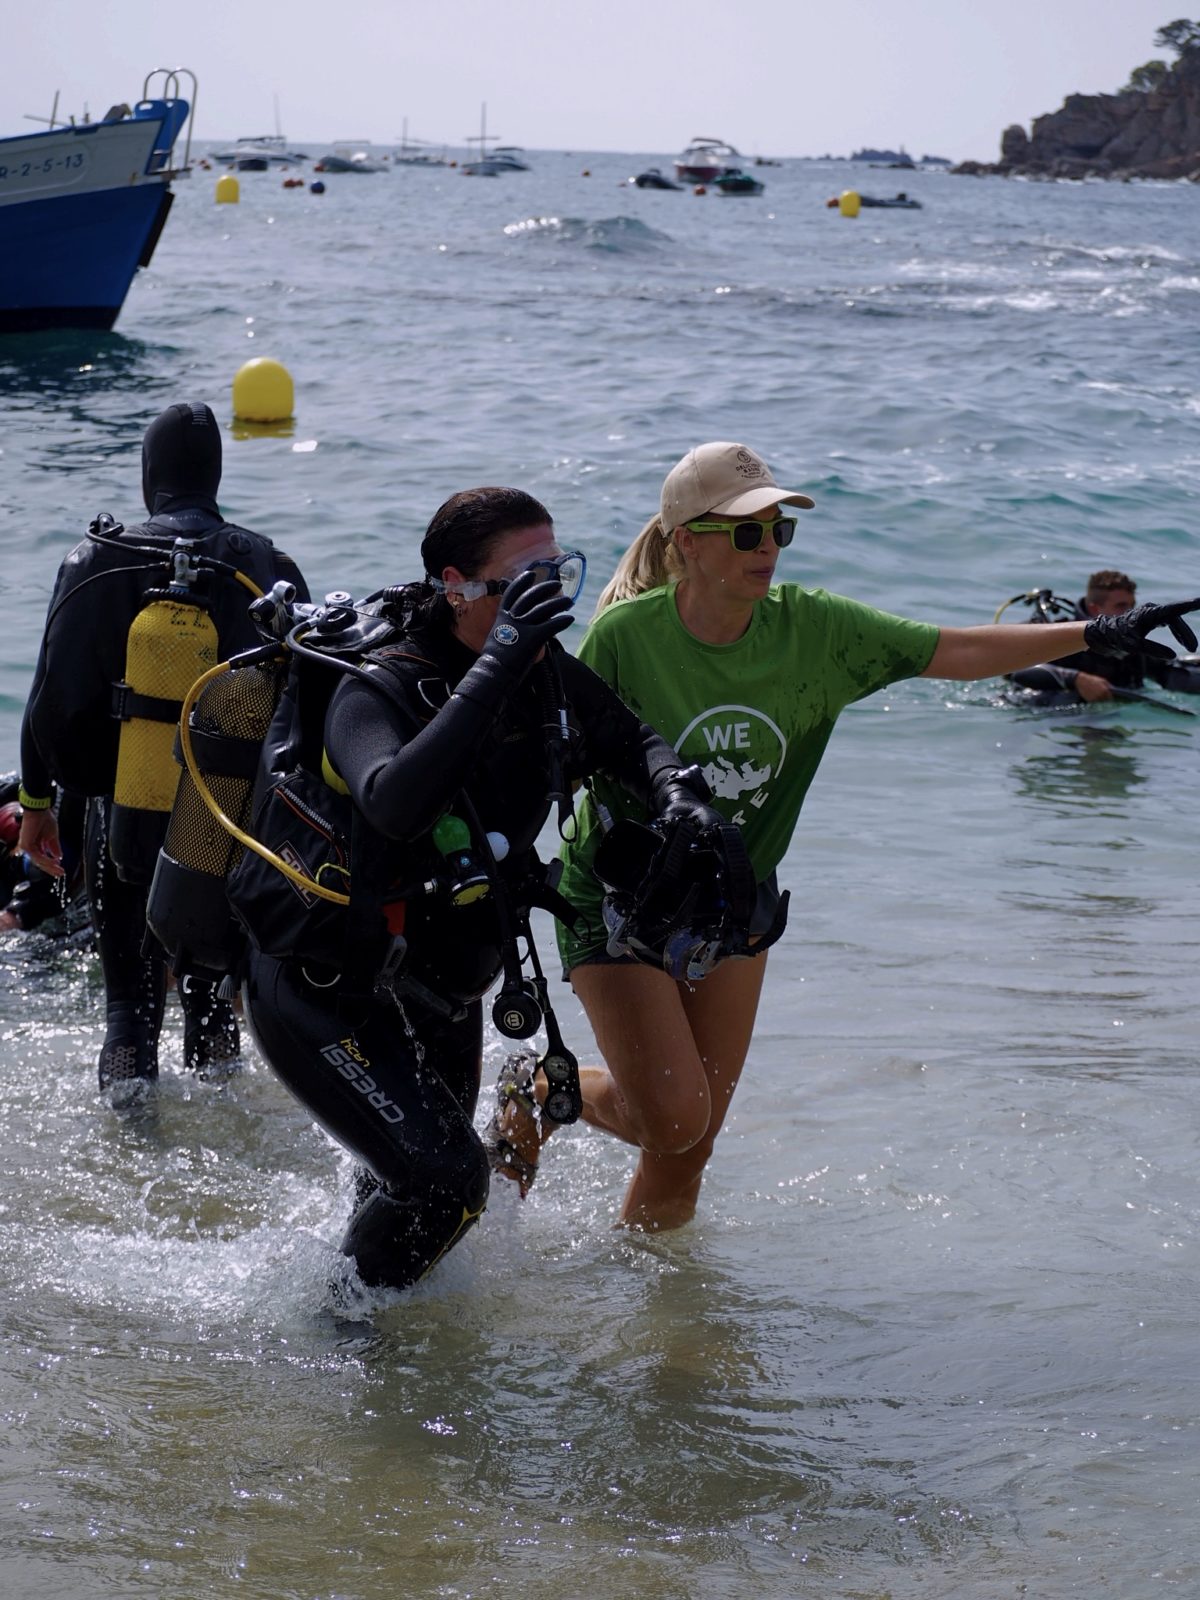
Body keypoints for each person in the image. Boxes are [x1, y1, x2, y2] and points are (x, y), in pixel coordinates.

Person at [492, 441, 1200, 1230]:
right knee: (675, 1120)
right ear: (686, 540)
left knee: (691, 1144)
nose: (768, 549)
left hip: (732, 902)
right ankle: (539, 1085)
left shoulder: (818, 631)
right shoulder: (629, 635)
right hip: (620, 899)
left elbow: (955, 649)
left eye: (777, 531)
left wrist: (1099, 635)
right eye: (746, 532)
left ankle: (664, 1324)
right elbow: (568, 747)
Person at [239, 486, 731, 1291]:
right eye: (523, 582)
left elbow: (630, 739)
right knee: (448, 1183)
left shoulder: (542, 677)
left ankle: (381, 1354)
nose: (549, 602)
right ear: (455, 585)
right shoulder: (376, 686)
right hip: (323, 983)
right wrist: (503, 657)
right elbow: (396, 801)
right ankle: (331, 1343)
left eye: (558, 575)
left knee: (409, 1184)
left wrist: (679, 792)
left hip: (441, 982)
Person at [16, 401, 309, 1091]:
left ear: (149, 473)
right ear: (214, 473)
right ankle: (227, 1156)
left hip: (121, 808)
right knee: (211, 997)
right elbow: (301, 699)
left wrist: (36, 804)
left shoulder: (97, 556)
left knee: (128, 1009)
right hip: (226, 817)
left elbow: (48, 698)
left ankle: (131, 1150)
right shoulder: (266, 561)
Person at [1007, 569, 1200, 705]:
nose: (1130, 612)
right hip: (1045, 712)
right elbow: (1017, 670)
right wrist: (1077, 679)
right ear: (1094, 608)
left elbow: (1167, 675)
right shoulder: (1060, 635)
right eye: (1121, 606)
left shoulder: (1128, 642)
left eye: (1132, 605)